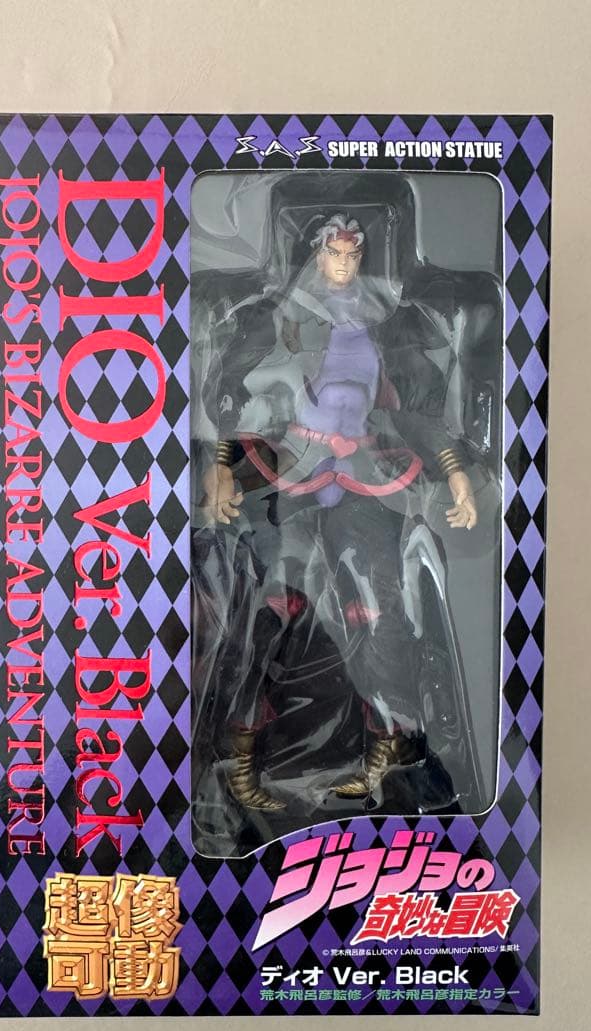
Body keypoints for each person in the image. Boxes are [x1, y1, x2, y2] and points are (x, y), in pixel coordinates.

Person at [198, 212, 478, 812]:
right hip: (290, 476)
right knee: (272, 606)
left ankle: (388, 745)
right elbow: (235, 392)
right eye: (334, 252)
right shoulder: (279, 316)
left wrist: (456, 473)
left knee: (384, 608)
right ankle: (240, 757)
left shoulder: (388, 322)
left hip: (365, 477)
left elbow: (422, 409)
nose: (345, 263)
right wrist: (219, 466)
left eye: (354, 253)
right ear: (316, 253)